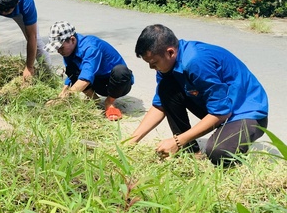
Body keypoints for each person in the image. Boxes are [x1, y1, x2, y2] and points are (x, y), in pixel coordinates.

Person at [128, 24, 268, 166]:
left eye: (154, 62)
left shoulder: (196, 61)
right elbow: (160, 106)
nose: (151, 67)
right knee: (167, 89)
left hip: (246, 114)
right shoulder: (167, 65)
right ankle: (191, 153)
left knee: (218, 152)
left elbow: (221, 112)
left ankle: (228, 143)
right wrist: (129, 142)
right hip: (220, 108)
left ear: (170, 52)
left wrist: (177, 141)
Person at [45, 21, 134, 120]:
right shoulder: (69, 51)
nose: (59, 51)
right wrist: (60, 96)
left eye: (61, 48)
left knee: (120, 71)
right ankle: (94, 100)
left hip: (117, 85)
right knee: (71, 68)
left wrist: (65, 99)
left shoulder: (90, 47)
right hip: (98, 82)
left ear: (72, 40)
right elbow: (71, 76)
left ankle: (109, 102)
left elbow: (86, 78)